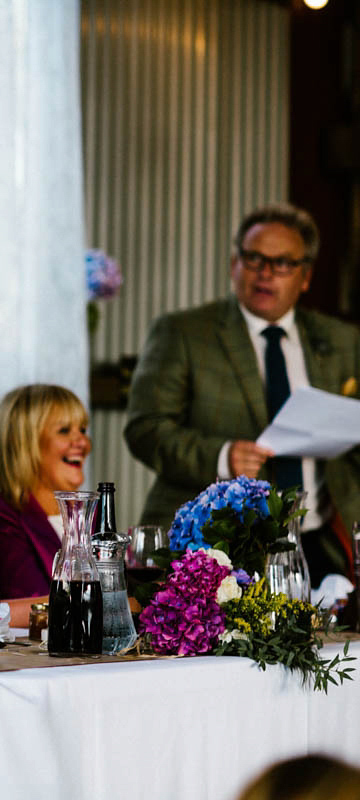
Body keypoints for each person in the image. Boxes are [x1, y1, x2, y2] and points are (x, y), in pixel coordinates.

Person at [125, 204, 360, 585]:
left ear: (305, 277)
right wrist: (221, 456)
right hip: (213, 546)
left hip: (317, 542)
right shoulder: (183, 332)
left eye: (282, 262)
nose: (265, 273)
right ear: (234, 263)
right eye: (254, 258)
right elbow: (144, 429)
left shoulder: (343, 340)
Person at [0, 385, 91, 621]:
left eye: (83, 429)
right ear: (25, 442)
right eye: (65, 430)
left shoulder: (86, 518)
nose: (83, 442)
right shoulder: (3, 519)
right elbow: (24, 605)